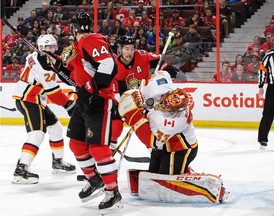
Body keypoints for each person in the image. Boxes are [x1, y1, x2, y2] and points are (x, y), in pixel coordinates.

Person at [39, 12, 122, 211]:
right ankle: (94, 180)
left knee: (98, 148)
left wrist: (94, 90)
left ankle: (112, 191)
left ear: (74, 28)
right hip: (83, 101)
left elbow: (109, 66)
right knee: (76, 143)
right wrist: (54, 64)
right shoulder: (74, 49)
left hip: (99, 102)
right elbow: (72, 77)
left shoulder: (90, 40)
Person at [118, 70, 228, 203]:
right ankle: (184, 171)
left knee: (165, 183)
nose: (163, 105)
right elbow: (162, 74)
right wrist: (143, 88)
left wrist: (134, 118)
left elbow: (152, 141)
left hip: (179, 150)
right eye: (165, 101)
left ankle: (209, 188)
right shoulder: (163, 88)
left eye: (168, 107)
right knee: (154, 176)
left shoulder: (174, 121)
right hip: (164, 147)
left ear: (176, 110)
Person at [11, 34, 76, 184]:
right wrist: (69, 106)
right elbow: (53, 92)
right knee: (37, 133)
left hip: (34, 99)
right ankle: (21, 170)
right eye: (48, 47)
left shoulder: (36, 56)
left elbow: (54, 64)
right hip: (28, 99)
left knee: (56, 127)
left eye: (53, 46)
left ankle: (57, 162)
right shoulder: (43, 66)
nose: (52, 49)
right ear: (41, 48)